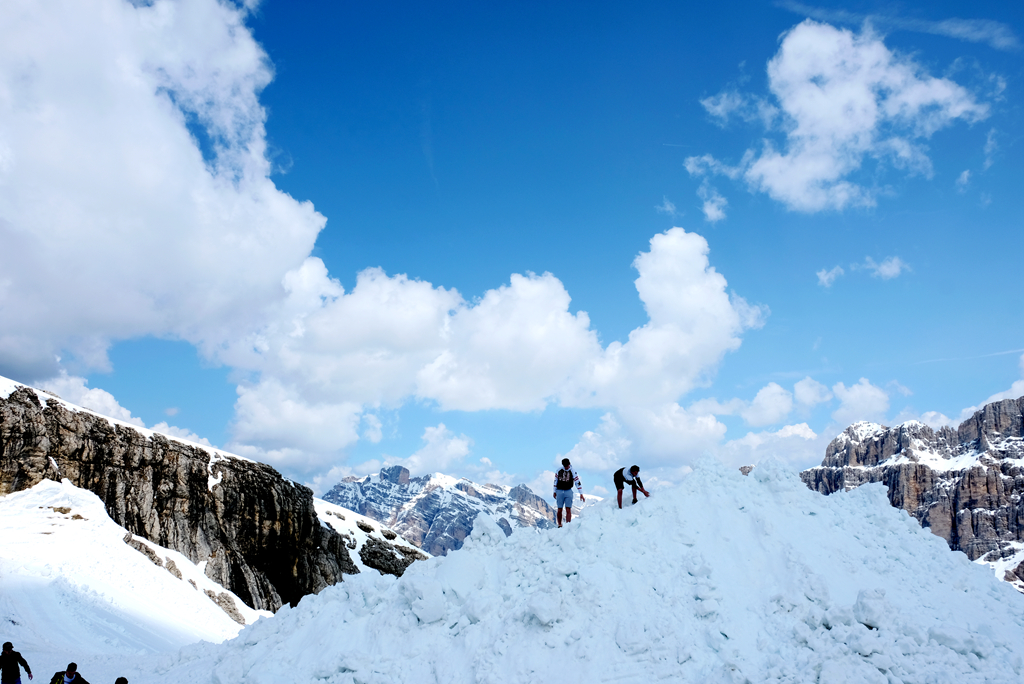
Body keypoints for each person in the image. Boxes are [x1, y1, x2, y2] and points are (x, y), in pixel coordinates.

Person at [552, 457, 585, 527]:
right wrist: (554, 491)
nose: (566, 467)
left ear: (569, 464)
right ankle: (560, 524)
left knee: (568, 509)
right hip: (559, 490)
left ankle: (568, 524)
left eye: (567, 466)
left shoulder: (573, 471)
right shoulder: (559, 470)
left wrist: (581, 493)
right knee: (559, 509)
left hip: (568, 490)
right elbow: (555, 481)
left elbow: (577, 482)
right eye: (565, 466)